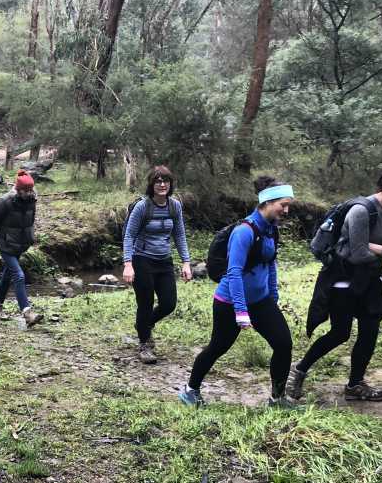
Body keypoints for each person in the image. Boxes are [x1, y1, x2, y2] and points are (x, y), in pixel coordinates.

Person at [286, 162, 382, 402]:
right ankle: (299, 370)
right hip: (343, 277)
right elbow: (357, 255)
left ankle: (355, 385)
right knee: (340, 333)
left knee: (370, 331)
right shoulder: (361, 211)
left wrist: (373, 247)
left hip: (373, 278)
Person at [179, 176, 295, 408]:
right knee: (218, 346)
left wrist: (273, 297)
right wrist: (241, 310)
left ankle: (277, 398)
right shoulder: (244, 232)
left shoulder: (271, 229)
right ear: (267, 202)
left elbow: (270, 264)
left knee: (283, 344)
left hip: (261, 301)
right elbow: (233, 272)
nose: (286, 210)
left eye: (288, 205)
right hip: (230, 302)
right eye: (283, 204)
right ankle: (190, 390)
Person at [122, 166, 193, 363]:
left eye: (166, 181)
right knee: (145, 303)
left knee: (169, 303)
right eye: (158, 181)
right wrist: (128, 264)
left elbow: (179, 234)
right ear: (151, 185)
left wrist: (186, 262)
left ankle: (143, 325)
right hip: (142, 259)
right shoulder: (143, 207)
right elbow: (129, 235)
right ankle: (145, 344)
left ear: (170, 184)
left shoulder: (174, 206)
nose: (162, 185)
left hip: (164, 260)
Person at [0, 170, 42, 327]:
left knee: (8, 275)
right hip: (6, 244)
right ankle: (27, 312)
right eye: (26, 190)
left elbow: (30, 221)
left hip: (21, 245)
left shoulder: (32, 199)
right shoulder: (5, 202)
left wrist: (31, 238)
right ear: (18, 189)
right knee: (19, 275)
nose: (29, 193)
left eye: (31, 190)